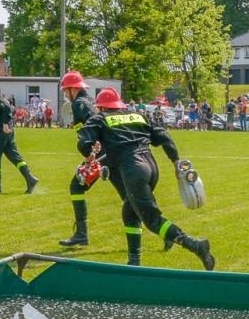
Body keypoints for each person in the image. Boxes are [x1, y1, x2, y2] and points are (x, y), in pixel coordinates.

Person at [76, 87, 214, 270]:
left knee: (152, 220)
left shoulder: (99, 119)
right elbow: (164, 136)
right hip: (151, 168)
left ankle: (195, 245)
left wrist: (88, 156)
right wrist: (175, 162)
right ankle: (134, 262)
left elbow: (84, 140)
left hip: (134, 170)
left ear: (100, 107)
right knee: (129, 211)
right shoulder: (138, 115)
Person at [0, 77, 39, 194]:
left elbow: (7, 108)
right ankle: (30, 178)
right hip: (6, 133)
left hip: (0, 132)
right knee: (14, 157)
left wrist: (5, 123)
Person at [58, 71, 97, 247]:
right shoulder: (88, 101)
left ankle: (82, 234)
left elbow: (91, 127)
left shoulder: (78, 104)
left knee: (76, 187)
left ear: (73, 89)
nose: (65, 94)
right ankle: (164, 230)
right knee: (129, 195)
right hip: (109, 151)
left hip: (98, 154)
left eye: (66, 90)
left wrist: (90, 153)